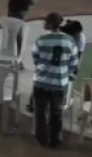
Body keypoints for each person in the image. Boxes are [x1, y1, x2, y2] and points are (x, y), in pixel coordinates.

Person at [31, 12, 79, 149]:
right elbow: (74, 62)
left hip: (42, 81)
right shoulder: (70, 40)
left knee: (40, 111)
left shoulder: (41, 40)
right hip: (60, 82)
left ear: (51, 24)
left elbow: (36, 59)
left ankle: (41, 138)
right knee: (56, 112)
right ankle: (55, 139)